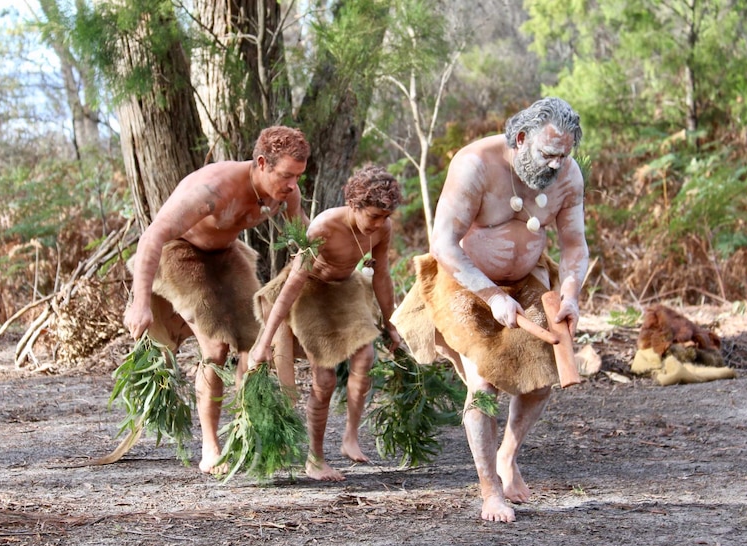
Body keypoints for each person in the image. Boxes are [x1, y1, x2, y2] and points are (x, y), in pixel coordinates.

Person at [391, 97, 589, 522]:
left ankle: (508, 455)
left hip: (528, 277)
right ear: (520, 139)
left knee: (541, 378)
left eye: (564, 155)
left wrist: (570, 293)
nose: (556, 166)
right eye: (548, 154)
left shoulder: (568, 176)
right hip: (465, 279)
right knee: (483, 381)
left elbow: (574, 246)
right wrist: (492, 296)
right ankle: (489, 491)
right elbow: (444, 242)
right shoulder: (475, 164)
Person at [123, 125, 311, 474]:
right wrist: (140, 304)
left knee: (255, 348)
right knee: (215, 349)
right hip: (180, 253)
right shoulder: (213, 189)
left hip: (226, 255)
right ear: (261, 163)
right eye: (286, 175)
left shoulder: (286, 194)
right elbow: (152, 237)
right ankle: (210, 449)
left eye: (298, 177)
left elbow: (306, 241)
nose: (292, 185)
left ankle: (250, 436)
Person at [250, 165, 403, 481]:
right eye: (373, 216)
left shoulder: (382, 229)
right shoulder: (323, 228)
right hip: (309, 290)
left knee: (365, 357)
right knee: (325, 376)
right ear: (354, 205)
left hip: (345, 287)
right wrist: (264, 342)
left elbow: (383, 276)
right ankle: (315, 458)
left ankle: (350, 436)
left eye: (385, 217)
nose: (379, 224)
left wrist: (391, 323)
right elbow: (292, 284)